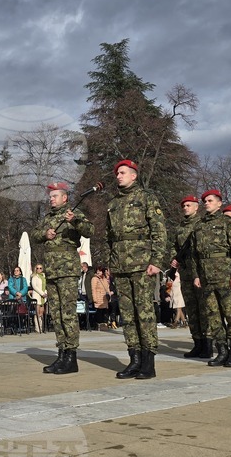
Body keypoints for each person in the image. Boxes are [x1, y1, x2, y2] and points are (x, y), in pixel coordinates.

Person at [106, 159, 167, 380]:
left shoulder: (146, 197)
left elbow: (159, 230)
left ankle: (148, 362)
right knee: (128, 316)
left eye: (123, 172)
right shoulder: (113, 203)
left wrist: (157, 260)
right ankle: (134, 360)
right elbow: (109, 237)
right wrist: (111, 263)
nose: (118, 176)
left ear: (134, 175)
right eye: (117, 173)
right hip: (120, 266)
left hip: (142, 265)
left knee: (144, 313)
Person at [30, 181, 94, 374]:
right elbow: (34, 234)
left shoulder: (73, 213)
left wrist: (74, 221)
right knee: (56, 314)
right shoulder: (48, 217)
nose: (51, 199)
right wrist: (44, 234)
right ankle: (61, 354)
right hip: (52, 270)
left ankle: (71, 357)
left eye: (54, 196)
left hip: (67, 269)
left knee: (67, 313)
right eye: (50, 196)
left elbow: (89, 231)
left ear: (64, 197)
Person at [192, 189, 231, 368]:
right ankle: (221, 350)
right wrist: (197, 275)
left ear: (219, 203)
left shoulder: (228, 223)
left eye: (210, 200)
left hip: (225, 276)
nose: (206, 203)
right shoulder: (199, 226)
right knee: (213, 316)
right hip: (207, 278)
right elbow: (195, 255)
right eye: (204, 201)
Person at [171, 195, 210, 359]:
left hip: (200, 272)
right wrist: (174, 259)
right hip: (185, 272)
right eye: (184, 206)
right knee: (192, 310)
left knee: (204, 309)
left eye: (189, 205)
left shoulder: (202, 225)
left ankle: (208, 345)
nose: (186, 208)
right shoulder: (180, 228)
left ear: (196, 207)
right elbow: (175, 247)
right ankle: (197, 343)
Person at [29, 263, 47, 333]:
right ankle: (37, 328)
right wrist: (42, 293)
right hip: (37, 296)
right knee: (37, 312)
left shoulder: (44, 276)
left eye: (40, 268)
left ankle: (41, 327)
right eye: (37, 268)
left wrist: (45, 293)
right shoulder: (34, 277)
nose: (39, 269)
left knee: (41, 312)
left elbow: (45, 286)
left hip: (43, 297)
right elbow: (35, 287)